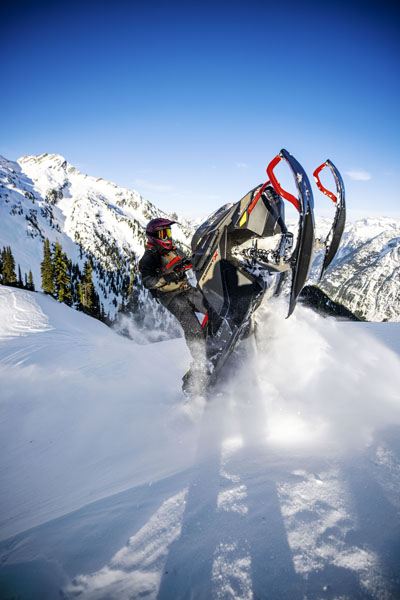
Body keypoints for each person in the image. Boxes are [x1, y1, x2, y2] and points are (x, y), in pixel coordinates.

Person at [138, 218, 208, 371]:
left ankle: (217, 338)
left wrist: (198, 259)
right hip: (171, 298)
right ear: (153, 236)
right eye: (163, 233)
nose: (167, 237)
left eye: (168, 232)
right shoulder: (149, 257)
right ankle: (200, 363)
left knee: (212, 306)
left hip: (186, 289)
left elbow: (188, 261)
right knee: (193, 328)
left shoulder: (173, 250)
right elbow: (148, 281)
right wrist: (167, 277)